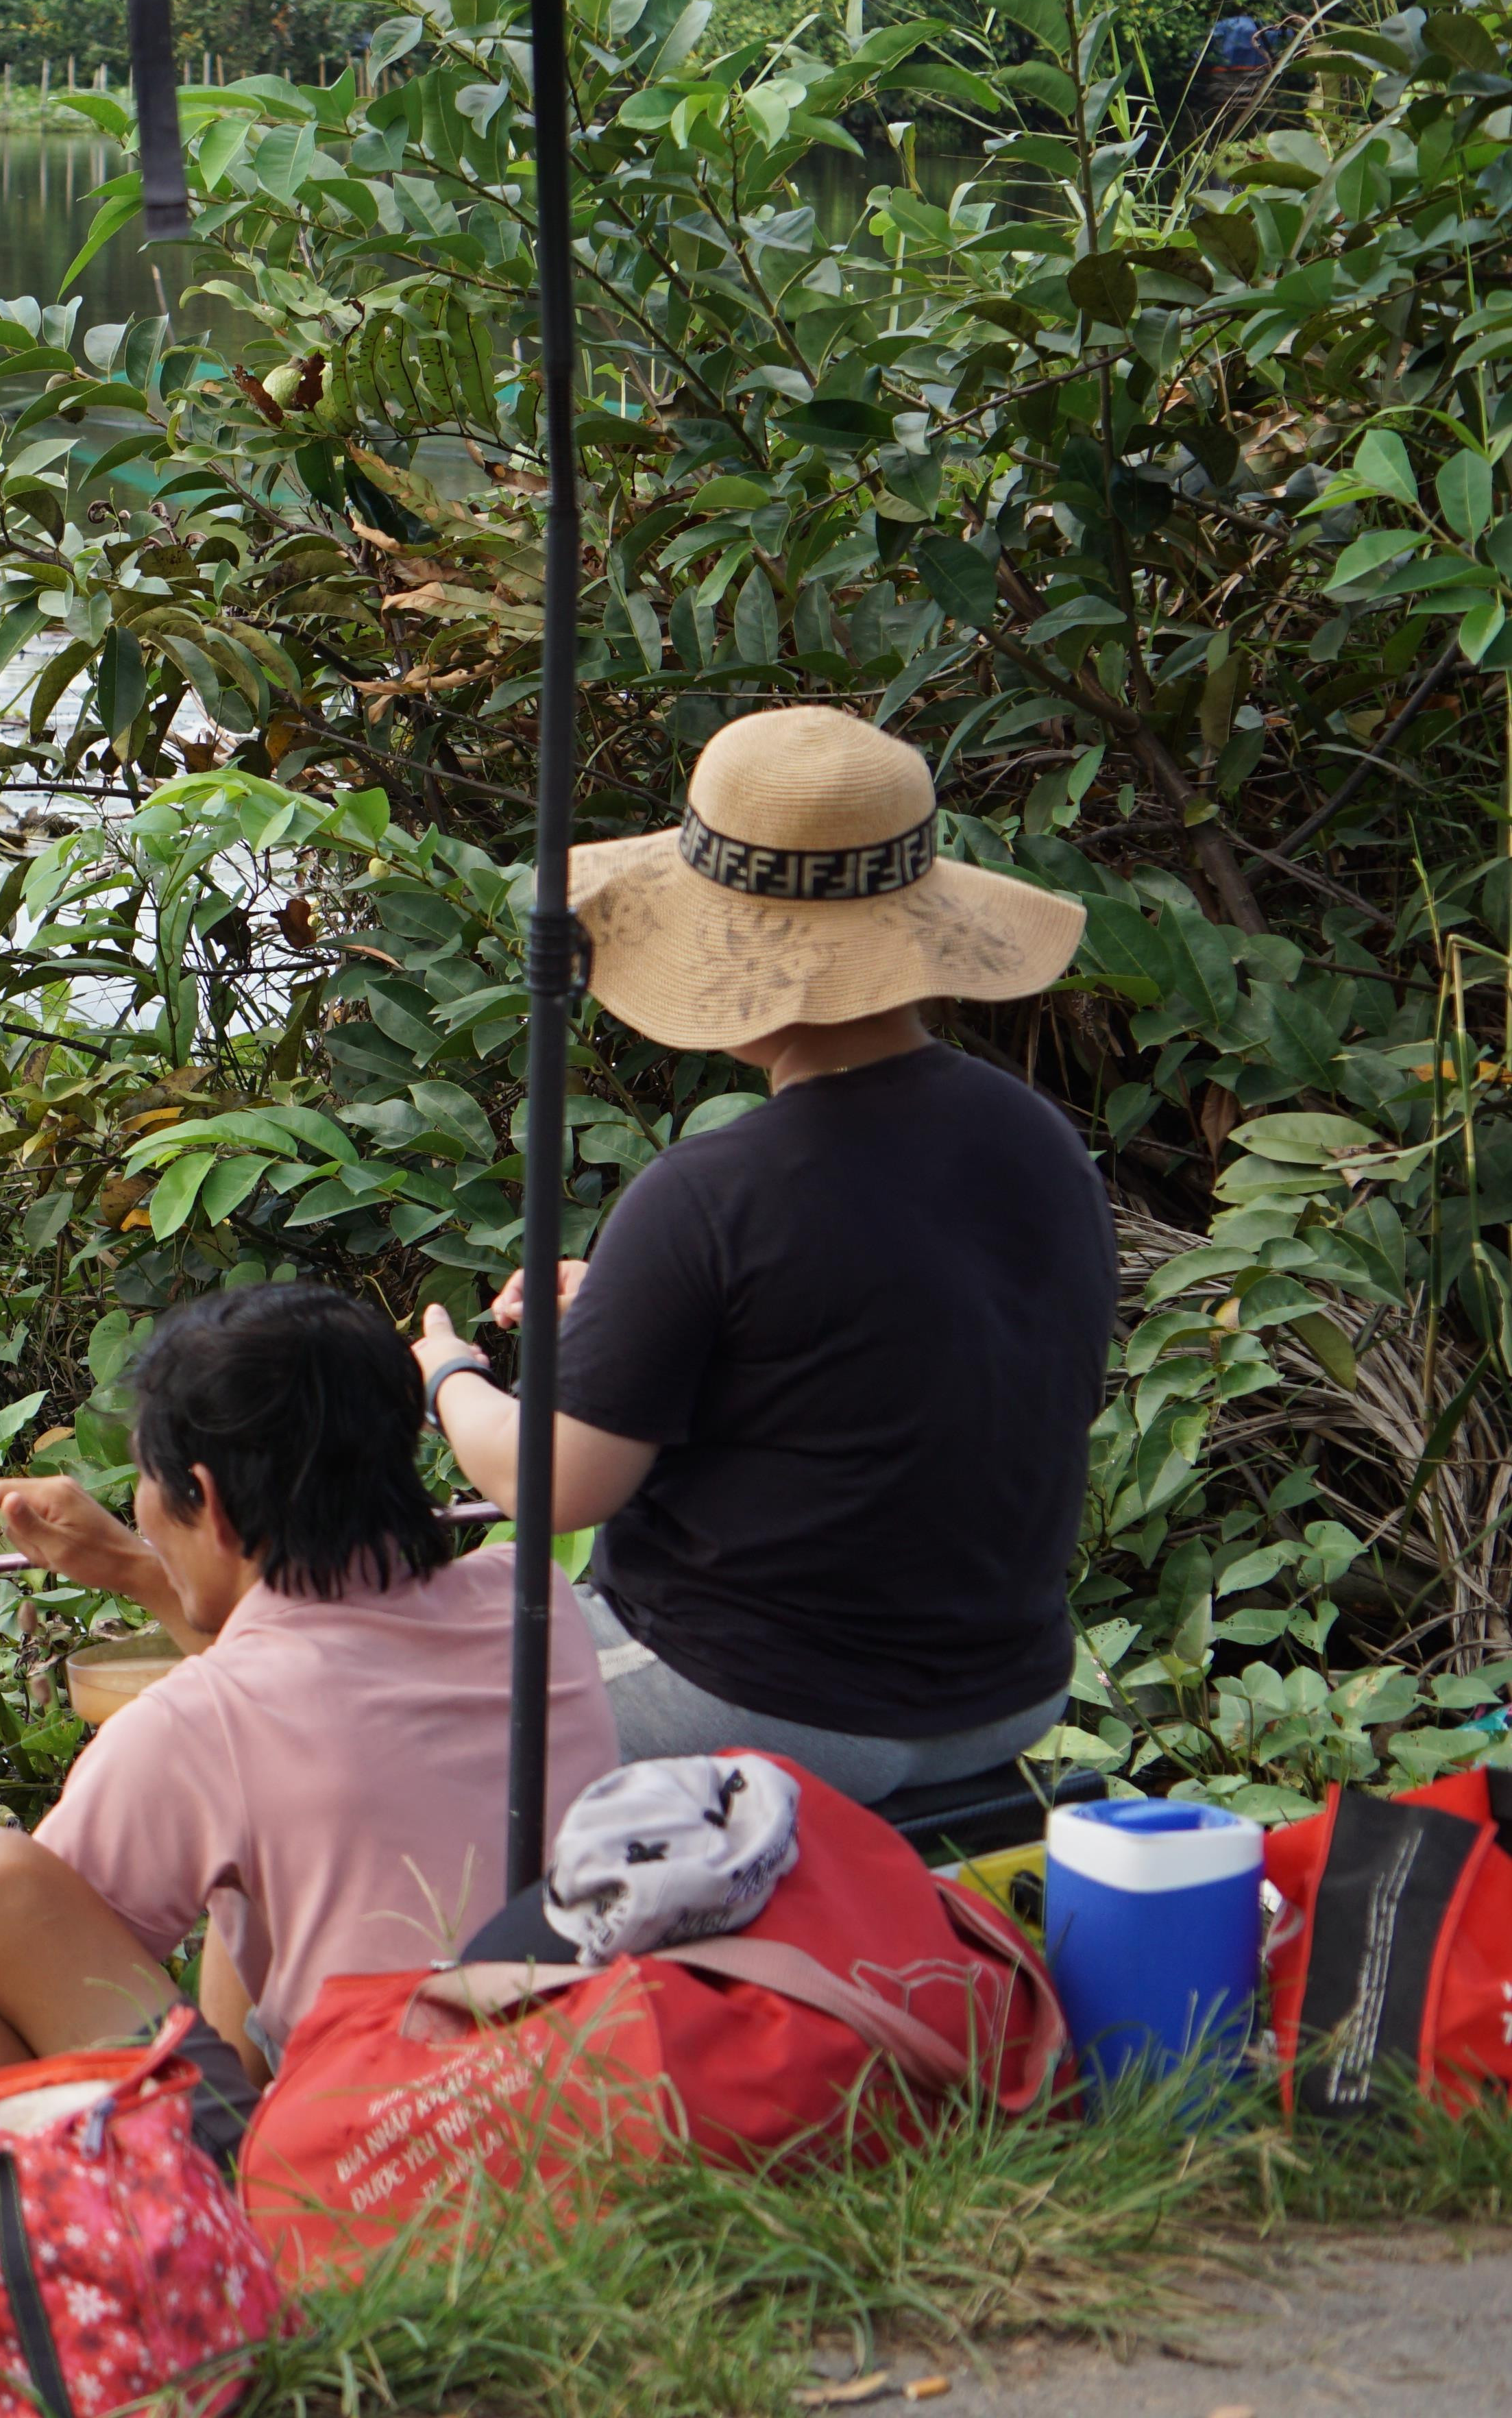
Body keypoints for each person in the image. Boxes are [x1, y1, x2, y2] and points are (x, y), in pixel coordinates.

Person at [0, 1281, 615, 2204]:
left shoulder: (196, 1727)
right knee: (240, 1908)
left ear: (204, 1499)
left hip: (361, 2193)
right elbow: (309, 1691)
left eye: (149, 1483)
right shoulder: (535, 1606)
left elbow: (3, 2001)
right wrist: (139, 1572)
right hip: (567, 2136)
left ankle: (98, 2290)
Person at [410, 704, 1114, 1803]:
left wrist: (447, 1376)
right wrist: (634, 1314)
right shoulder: (1041, 1143)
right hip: (1008, 1689)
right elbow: (896, 1356)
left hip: (764, 1699)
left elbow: (550, 1485)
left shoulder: (710, 1191)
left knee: (379, 1713)